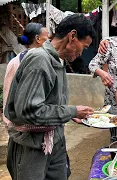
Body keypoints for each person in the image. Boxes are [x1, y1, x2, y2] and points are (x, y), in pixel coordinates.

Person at [4, 14, 95, 180]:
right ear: (72, 36)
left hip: (52, 141)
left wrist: (69, 114)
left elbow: (48, 103)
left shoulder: (56, 61)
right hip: (32, 146)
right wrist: (72, 112)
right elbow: (29, 112)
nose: (82, 52)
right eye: (85, 46)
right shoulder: (39, 60)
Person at [2, 23, 49, 127]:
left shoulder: (14, 62)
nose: (49, 42)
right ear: (38, 39)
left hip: (30, 120)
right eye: (47, 38)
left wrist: (8, 120)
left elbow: (7, 92)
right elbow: (8, 92)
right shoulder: (16, 62)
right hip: (32, 121)